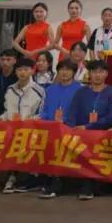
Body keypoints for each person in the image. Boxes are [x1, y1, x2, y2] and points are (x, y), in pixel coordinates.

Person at [67, 59, 112, 201]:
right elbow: (72, 113)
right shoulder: (81, 92)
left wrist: (88, 127)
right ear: (89, 74)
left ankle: (88, 185)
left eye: (101, 72)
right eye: (94, 72)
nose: (97, 75)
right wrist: (71, 129)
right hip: (80, 133)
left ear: (106, 74)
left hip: (101, 134)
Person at [38, 59, 83, 199]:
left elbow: (80, 112)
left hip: (70, 129)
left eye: (68, 70)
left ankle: (57, 182)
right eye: (62, 69)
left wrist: (66, 123)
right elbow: (44, 110)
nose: (64, 72)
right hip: (50, 128)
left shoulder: (80, 90)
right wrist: (46, 121)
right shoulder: (50, 89)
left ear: (74, 72)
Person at [0, 57, 45, 194]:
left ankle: (16, 177)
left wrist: (28, 122)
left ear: (32, 71)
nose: (22, 73)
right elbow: (6, 111)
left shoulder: (39, 90)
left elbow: (41, 113)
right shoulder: (10, 89)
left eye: (26, 69)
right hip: (10, 128)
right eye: (19, 70)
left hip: (30, 129)